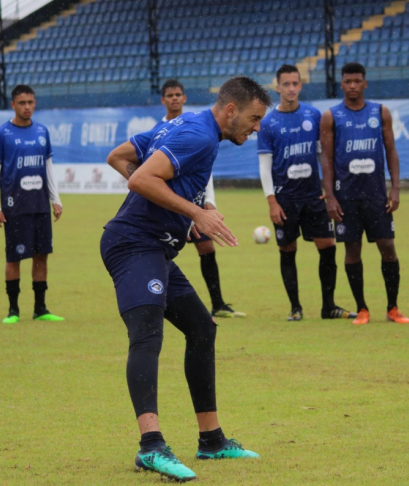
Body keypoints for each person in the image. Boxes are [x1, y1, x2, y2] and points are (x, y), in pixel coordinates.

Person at [101, 77, 271, 482]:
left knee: (201, 328)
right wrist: (194, 213)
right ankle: (150, 447)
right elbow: (139, 179)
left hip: (155, 245)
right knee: (147, 334)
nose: (256, 127)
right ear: (231, 110)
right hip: (132, 243)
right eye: (254, 118)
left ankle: (211, 439)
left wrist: (175, 213)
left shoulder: (183, 125)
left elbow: (119, 156)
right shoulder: (198, 135)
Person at [257, 64, 355, 322]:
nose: (291, 88)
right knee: (287, 250)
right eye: (286, 84)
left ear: (300, 86)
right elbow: (264, 166)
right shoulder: (268, 123)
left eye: (295, 84)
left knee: (328, 247)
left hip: (314, 197)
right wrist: (271, 202)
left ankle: (328, 306)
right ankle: (295, 308)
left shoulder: (314, 115)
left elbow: (324, 156)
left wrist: (329, 191)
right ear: (277, 87)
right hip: (285, 199)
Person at [320, 62, 409, 326]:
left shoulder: (380, 112)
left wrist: (394, 188)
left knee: (388, 248)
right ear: (341, 84)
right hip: (345, 197)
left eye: (357, 81)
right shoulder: (331, 116)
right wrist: (330, 197)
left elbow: (391, 151)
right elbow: (326, 159)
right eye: (348, 81)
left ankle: (393, 308)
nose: (352, 86)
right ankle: (362, 309)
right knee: (352, 250)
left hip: (376, 195)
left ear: (365, 83)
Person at [158, 79, 245, 318]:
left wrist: (210, 201)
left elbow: (204, 168)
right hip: (170, 204)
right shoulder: (162, 129)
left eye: (178, 94)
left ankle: (218, 303)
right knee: (162, 252)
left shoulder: (195, 125)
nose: (174, 98)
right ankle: (156, 300)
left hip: (196, 201)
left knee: (206, 248)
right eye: (170, 95)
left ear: (184, 98)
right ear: (163, 100)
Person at [0, 84, 64, 324]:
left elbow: (48, 167)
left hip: (40, 204)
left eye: (30, 102)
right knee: (14, 258)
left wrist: (56, 198)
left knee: (42, 256)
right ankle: (13, 310)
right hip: (14, 206)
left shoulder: (42, 131)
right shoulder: (2, 134)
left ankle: (40, 308)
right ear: (13, 105)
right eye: (22, 103)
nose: (27, 107)